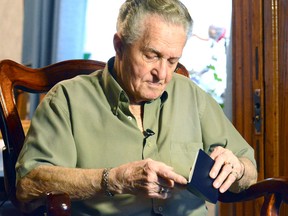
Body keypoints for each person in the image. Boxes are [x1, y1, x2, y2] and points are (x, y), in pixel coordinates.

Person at [16, 0, 258, 215]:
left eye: (173, 61)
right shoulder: (67, 99)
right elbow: (28, 184)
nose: (162, 74)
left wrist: (236, 167)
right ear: (119, 46)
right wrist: (113, 180)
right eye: (152, 55)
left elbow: (249, 168)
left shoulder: (191, 95)